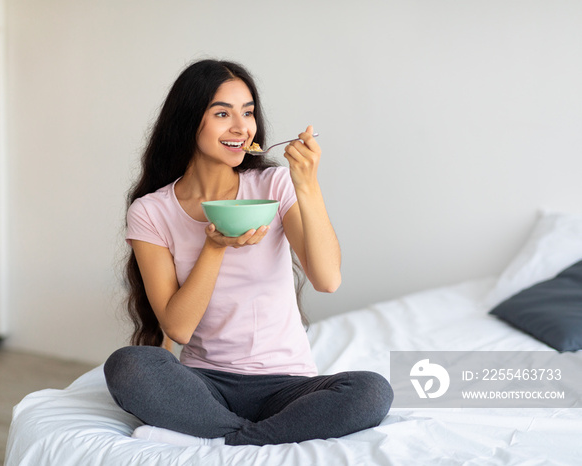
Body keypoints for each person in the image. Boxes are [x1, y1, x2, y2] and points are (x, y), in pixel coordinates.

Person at [104, 59, 393, 447]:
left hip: (287, 385)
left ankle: (224, 438)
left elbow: (328, 280)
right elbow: (177, 328)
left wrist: (306, 186)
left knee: (372, 391)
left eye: (248, 112)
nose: (241, 128)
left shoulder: (273, 184)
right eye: (222, 113)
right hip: (207, 384)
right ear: (190, 121)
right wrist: (214, 246)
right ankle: (251, 436)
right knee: (128, 365)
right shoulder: (151, 211)